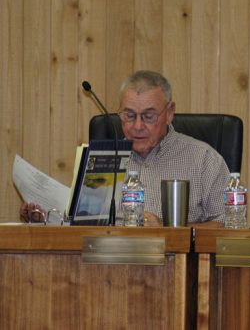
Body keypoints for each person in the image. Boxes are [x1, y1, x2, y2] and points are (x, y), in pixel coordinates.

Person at [20, 70, 229, 227]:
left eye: (148, 116)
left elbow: (228, 224)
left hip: (177, 271)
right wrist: (44, 219)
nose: (138, 126)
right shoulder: (102, 160)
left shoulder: (203, 159)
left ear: (170, 112)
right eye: (129, 115)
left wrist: (167, 229)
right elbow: (81, 226)